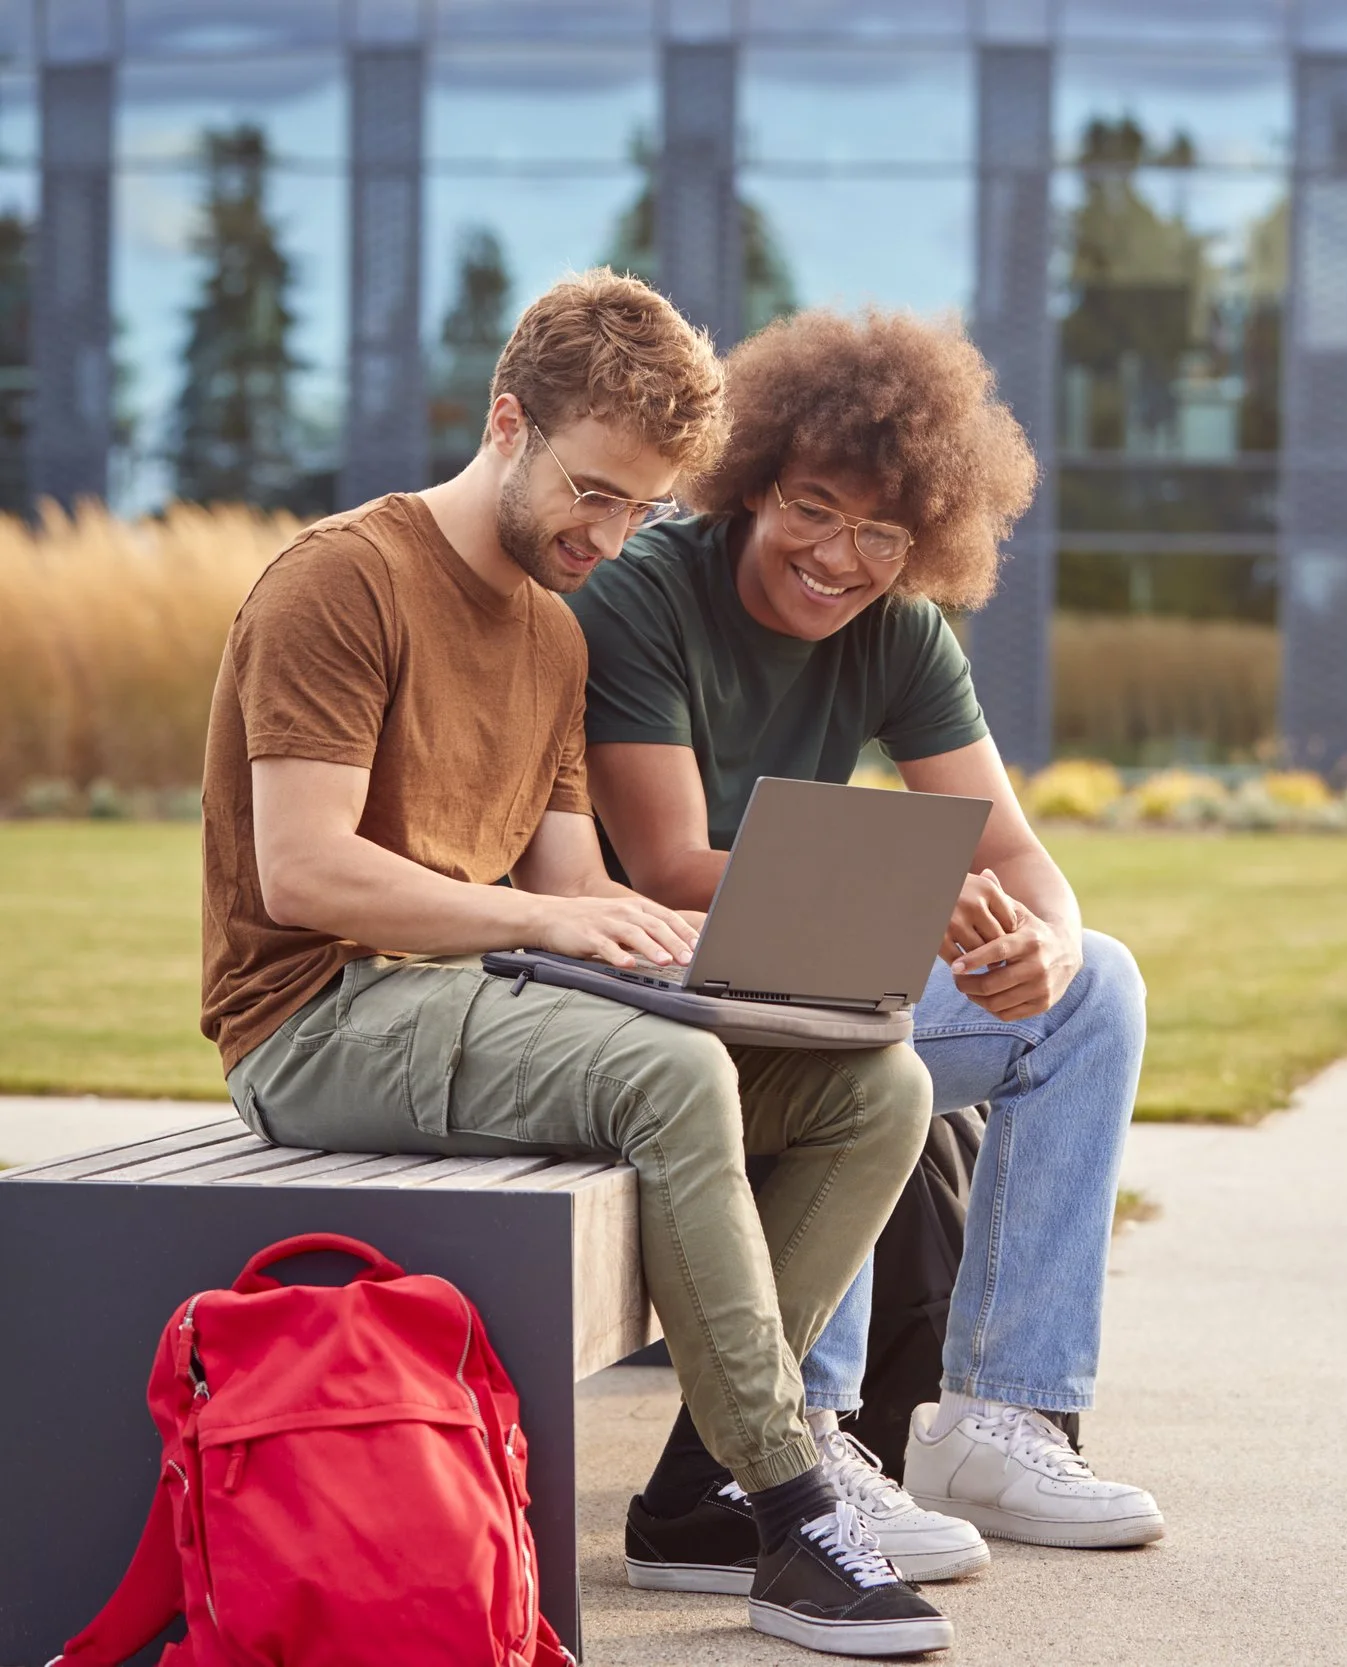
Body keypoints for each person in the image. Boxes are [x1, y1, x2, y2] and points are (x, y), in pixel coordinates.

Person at [200, 272, 951, 1656]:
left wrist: (682, 951)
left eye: (644, 507)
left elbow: (572, 884)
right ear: (507, 421)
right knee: (666, 1072)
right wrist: (560, 932)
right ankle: (796, 1508)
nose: (611, 534)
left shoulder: (551, 629)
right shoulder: (342, 580)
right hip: (318, 1019)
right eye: (594, 491)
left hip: (474, 1000)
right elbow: (304, 870)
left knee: (874, 1083)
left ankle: (700, 1484)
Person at [567, 308, 1163, 1591]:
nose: (840, 557)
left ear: (928, 538)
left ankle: (1005, 1419)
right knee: (856, 995)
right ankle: (815, 1436)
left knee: (1100, 986)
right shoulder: (644, 594)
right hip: (640, 991)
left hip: (799, 974)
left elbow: (1012, 853)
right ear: (753, 479)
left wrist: (1043, 947)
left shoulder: (899, 627)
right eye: (814, 508)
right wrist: (892, 903)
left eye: (883, 533)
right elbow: (666, 863)